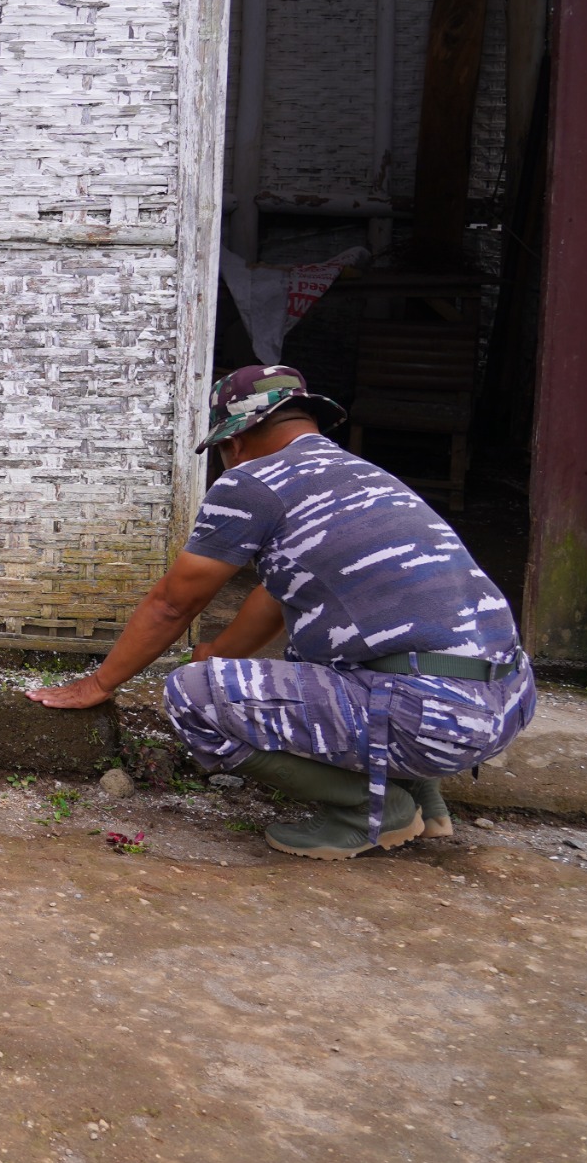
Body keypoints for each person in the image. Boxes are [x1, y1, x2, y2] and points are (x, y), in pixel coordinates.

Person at [28, 364, 533, 858]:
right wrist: (216, 654)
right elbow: (274, 596)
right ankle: (426, 796)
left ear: (234, 441)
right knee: (340, 653)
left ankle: (372, 811)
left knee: (190, 697)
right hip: (505, 702)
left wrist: (98, 684)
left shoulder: (251, 483)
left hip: (430, 718)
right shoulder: (362, 475)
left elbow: (173, 603)